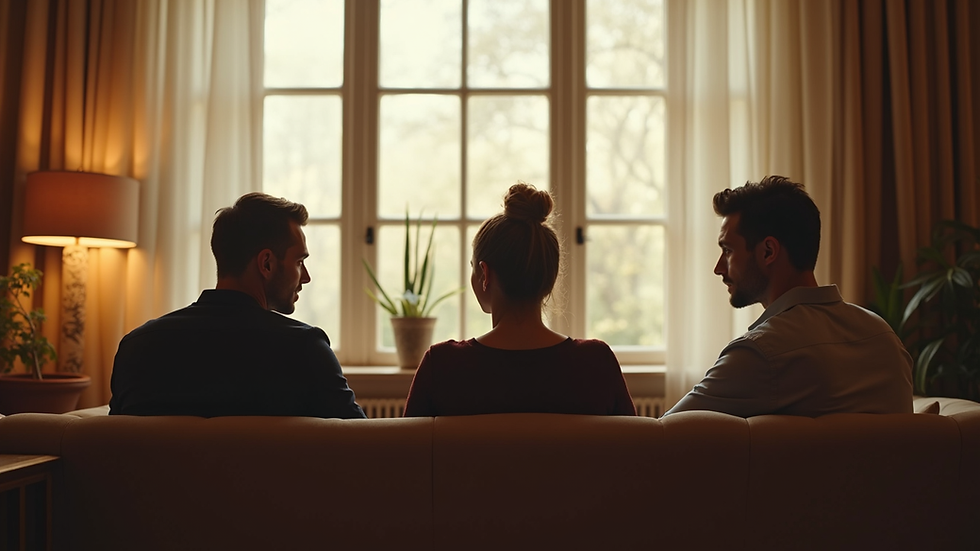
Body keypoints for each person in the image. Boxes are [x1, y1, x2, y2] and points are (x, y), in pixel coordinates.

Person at [663, 176, 913, 417]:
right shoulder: (885, 339)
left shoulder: (760, 354)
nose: (718, 268)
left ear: (768, 251)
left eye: (728, 250)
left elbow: (659, 440)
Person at [109, 192, 365, 418]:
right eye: (299, 262)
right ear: (266, 263)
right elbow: (367, 448)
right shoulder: (304, 349)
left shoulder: (137, 347)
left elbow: (112, 451)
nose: (306, 277)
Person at [403, 183, 636, 417]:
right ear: (550, 276)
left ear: (485, 274)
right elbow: (636, 449)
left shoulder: (442, 366)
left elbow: (405, 451)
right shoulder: (596, 364)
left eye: (473, 268)